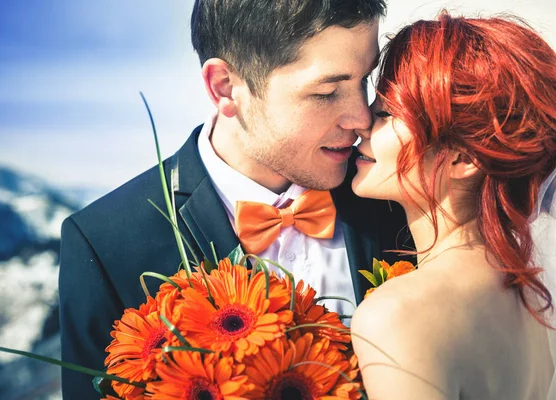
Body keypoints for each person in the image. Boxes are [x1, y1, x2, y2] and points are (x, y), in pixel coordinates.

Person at [58, 1, 412, 398]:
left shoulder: (400, 197)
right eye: (327, 92)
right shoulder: (105, 244)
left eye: (364, 80)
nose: (361, 118)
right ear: (225, 86)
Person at [351, 12, 556, 399]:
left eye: (386, 114)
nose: (362, 124)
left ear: (463, 159)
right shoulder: (527, 297)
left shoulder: (396, 315)